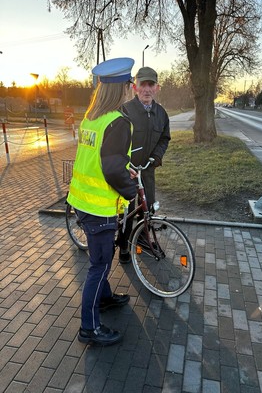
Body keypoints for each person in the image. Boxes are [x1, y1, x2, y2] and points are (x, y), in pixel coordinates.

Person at [67, 57, 137, 346]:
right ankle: (90, 327)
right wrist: (130, 190)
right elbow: (110, 169)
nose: (132, 87)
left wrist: (122, 166)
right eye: (130, 83)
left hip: (81, 201)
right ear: (121, 88)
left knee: (100, 259)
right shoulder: (118, 122)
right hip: (99, 207)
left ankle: (105, 299)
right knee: (100, 265)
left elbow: (100, 160)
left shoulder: (92, 116)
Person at [118, 66, 171, 264]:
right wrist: (124, 163)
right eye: (143, 85)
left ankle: (142, 239)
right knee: (126, 212)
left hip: (147, 171)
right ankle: (123, 245)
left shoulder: (161, 113)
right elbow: (116, 140)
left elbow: (164, 138)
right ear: (135, 87)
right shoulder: (125, 110)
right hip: (127, 172)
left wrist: (155, 158)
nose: (147, 89)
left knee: (147, 208)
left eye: (151, 85)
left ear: (157, 88)